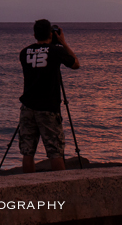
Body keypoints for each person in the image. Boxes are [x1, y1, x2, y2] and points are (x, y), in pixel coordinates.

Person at [18, 19, 80, 172]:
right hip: (48, 108)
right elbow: (75, 64)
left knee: (28, 151)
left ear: (34, 35)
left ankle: (28, 187)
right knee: (55, 151)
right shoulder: (56, 51)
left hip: (28, 107)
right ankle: (60, 188)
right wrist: (63, 43)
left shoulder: (24, 52)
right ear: (51, 34)